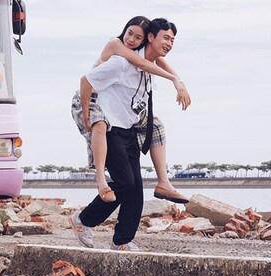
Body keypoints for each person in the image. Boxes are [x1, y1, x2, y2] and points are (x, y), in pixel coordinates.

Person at [72, 18, 191, 204]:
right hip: (90, 96)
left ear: (145, 39)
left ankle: (164, 183)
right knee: (100, 125)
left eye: (138, 37)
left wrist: (179, 81)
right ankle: (101, 180)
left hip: (116, 103)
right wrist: (174, 80)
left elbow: (160, 62)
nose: (131, 40)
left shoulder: (141, 53)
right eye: (130, 33)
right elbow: (142, 64)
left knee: (156, 126)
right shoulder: (117, 45)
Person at [73, 42, 150, 250]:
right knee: (125, 182)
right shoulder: (120, 61)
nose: (169, 44)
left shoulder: (147, 71)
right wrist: (88, 117)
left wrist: (176, 79)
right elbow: (86, 81)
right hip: (109, 125)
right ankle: (83, 219)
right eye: (166, 39)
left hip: (128, 126)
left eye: (172, 40)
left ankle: (122, 241)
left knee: (135, 189)